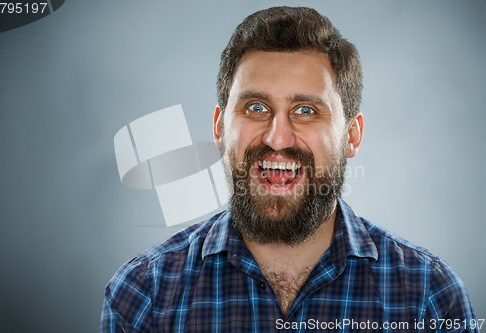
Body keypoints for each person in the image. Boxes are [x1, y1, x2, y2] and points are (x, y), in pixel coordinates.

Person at [99, 6, 478, 332]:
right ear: (219, 128)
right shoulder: (143, 294)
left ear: (352, 136)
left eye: (306, 111)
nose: (278, 138)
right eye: (256, 108)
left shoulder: (429, 296)